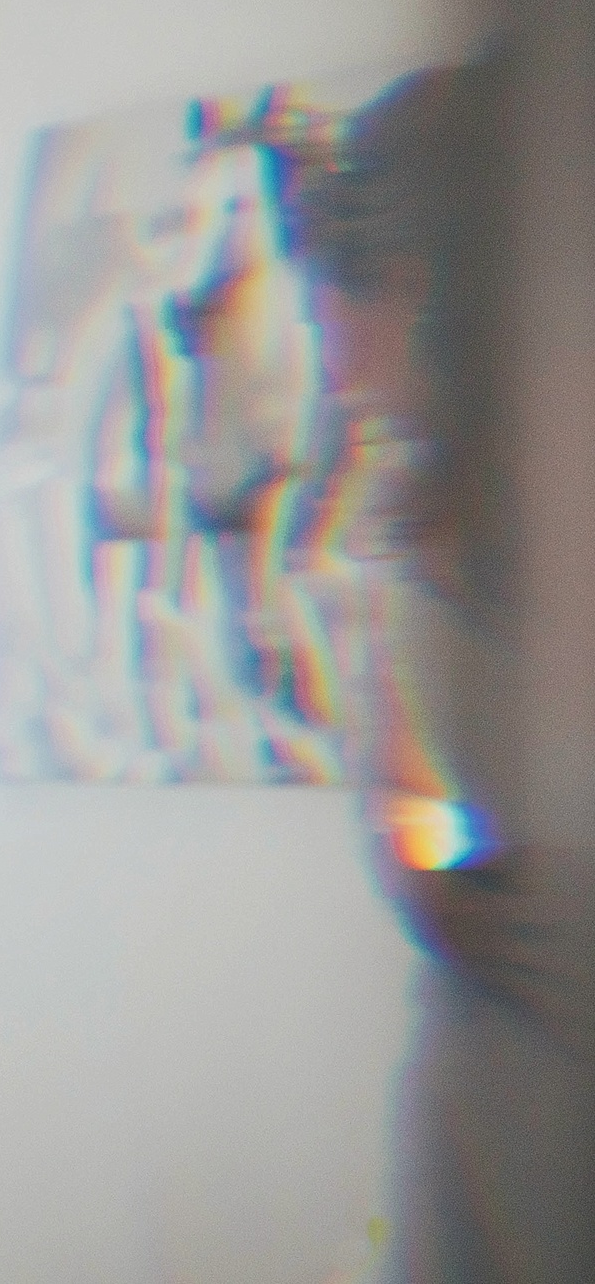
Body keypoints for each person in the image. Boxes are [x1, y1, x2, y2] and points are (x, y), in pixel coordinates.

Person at [278, 64, 595, 1284]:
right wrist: (419, 880)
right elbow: (394, 775)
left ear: (427, 284)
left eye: (346, 313)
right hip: (485, 1053)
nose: (342, 373)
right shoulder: (406, 512)